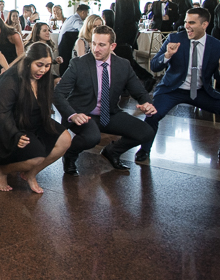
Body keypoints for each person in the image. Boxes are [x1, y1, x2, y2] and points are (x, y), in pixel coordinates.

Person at [138, 8, 220, 164]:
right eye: (186, 22)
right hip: (172, 89)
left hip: (201, 91)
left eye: (192, 22)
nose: (187, 25)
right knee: (152, 115)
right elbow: (154, 67)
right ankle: (144, 150)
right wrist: (167, 55)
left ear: (205, 24)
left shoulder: (217, 46)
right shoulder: (174, 39)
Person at [54, 25, 157, 176]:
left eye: (101, 45)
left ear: (112, 46)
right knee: (92, 137)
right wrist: (72, 115)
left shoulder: (123, 65)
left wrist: (147, 103)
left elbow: (140, 91)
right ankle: (70, 156)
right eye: (93, 43)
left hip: (109, 114)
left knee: (146, 132)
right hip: (82, 114)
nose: (96, 49)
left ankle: (112, 151)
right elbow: (58, 94)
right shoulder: (79, 64)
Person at [0, 43, 72, 194]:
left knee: (65, 140)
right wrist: (15, 134)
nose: (43, 70)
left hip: (34, 121)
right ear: (28, 61)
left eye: (47, 65)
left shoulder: (44, 77)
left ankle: (30, 174)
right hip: (11, 126)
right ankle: (1, 170)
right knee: (36, 157)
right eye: (39, 65)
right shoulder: (11, 79)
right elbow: (1, 114)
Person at [58, 4, 90, 74]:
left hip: (63, 44)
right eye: (87, 13)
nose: (87, 16)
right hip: (66, 46)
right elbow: (83, 30)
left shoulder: (71, 17)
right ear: (83, 12)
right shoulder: (76, 20)